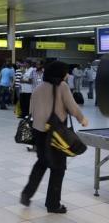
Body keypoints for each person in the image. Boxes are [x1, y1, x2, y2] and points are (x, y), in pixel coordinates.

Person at [20, 61, 89, 214]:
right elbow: (72, 107)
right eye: (65, 72)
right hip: (56, 132)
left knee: (42, 163)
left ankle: (27, 193)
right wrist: (82, 119)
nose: (67, 75)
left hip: (39, 131)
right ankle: (53, 204)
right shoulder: (62, 87)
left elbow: (31, 110)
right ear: (59, 73)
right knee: (58, 168)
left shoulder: (38, 88)